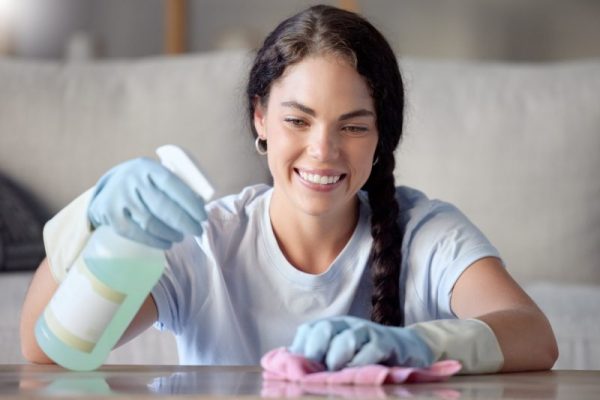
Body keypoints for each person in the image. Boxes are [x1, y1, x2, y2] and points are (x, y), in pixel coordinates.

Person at [20, 5, 558, 373]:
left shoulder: (426, 231)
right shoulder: (204, 241)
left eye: (353, 126)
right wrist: (91, 219)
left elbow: (533, 333)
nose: (323, 150)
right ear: (260, 119)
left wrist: (418, 345)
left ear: (382, 137)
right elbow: (48, 352)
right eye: (298, 120)